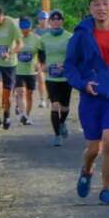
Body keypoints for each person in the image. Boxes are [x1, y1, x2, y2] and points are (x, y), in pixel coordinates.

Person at [65, 0, 109, 206]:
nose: (101, 8)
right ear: (90, 9)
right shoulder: (81, 35)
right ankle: (87, 169)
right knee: (94, 148)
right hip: (91, 99)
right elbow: (70, 65)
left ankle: (106, 189)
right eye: (96, 4)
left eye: (105, 4)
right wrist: (83, 84)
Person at [39, 10, 72, 147]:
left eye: (59, 19)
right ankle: (57, 135)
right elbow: (41, 53)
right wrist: (43, 64)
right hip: (51, 78)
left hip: (65, 77)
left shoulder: (69, 37)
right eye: (53, 19)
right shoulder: (44, 38)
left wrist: (65, 65)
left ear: (62, 21)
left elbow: (73, 55)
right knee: (54, 106)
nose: (56, 21)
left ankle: (63, 122)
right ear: (50, 22)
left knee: (64, 107)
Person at [14, 17, 43, 125]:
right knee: (21, 92)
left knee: (29, 94)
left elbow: (41, 53)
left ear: (30, 26)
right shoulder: (15, 38)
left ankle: (27, 115)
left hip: (31, 71)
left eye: (27, 26)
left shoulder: (37, 39)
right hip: (18, 70)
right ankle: (23, 115)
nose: (24, 29)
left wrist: (40, 63)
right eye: (22, 26)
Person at [35, 10, 50, 108]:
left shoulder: (52, 30)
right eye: (40, 19)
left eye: (44, 19)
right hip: (39, 56)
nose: (42, 21)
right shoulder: (35, 31)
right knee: (40, 78)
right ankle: (42, 99)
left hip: (50, 56)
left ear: (47, 19)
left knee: (50, 79)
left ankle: (50, 97)